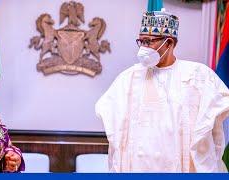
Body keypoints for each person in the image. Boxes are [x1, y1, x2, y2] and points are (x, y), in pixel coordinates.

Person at [95, 11, 229, 172]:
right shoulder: (128, 78)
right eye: (141, 41)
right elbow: (113, 122)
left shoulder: (198, 76)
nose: (143, 47)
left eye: (148, 42)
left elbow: (214, 124)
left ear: (169, 43)